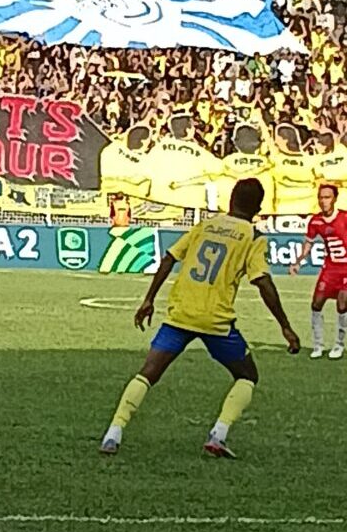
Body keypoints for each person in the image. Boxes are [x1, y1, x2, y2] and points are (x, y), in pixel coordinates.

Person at [100, 177, 300, 458]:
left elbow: (169, 258)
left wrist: (149, 299)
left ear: (230, 200)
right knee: (247, 375)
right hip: (216, 322)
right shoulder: (253, 237)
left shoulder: (205, 225)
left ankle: (113, 433)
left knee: (148, 373)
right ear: (258, 207)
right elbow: (262, 281)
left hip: (180, 314)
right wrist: (285, 327)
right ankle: (218, 435)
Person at [293, 181, 347, 359]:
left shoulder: (344, 218)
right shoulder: (315, 221)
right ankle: (318, 345)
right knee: (316, 304)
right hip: (330, 269)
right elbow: (308, 243)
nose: (323, 201)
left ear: (335, 199)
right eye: (321, 197)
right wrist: (298, 261)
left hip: (346, 270)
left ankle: (339, 345)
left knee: (342, 305)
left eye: (327, 197)